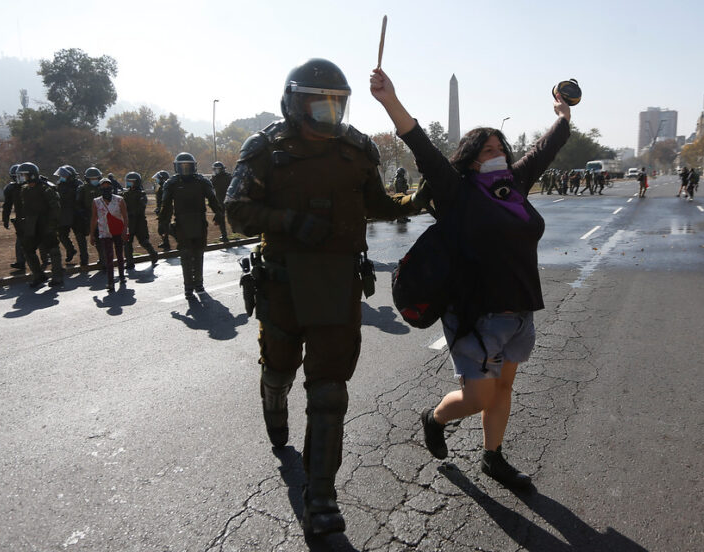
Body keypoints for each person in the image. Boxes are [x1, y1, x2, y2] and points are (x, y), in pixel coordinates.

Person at [224, 58, 422, 535]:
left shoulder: (356, 151)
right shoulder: (265, 149)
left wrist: (417, 199)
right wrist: (289, 223)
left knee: (330, 392)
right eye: (319, 103)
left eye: (336, 105)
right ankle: (274, 401)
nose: (329, 114)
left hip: (337, 284)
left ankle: (321, 496)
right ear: (294, 102)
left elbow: (379, 204)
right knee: (278, 369)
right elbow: (236, 209)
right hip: (284, 284)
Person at [370, 66, 570, 490]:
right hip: (475, 313)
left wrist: (563, 115)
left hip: (520, 309)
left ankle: (492, 457)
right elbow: (418, 142)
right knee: (480, 396)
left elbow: (545, 148)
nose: (495, 152)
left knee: (503, 390)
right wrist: (390, 101)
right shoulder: (456, 191)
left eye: (500, 146)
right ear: (469, 157)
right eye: (486, 149)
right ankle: (435, 416)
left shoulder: (514, 184)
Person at [158, 152, 222, 299]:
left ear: (194, 167)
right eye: (182, 166)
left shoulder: (202, 181)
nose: (185, 169)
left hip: (199, 221)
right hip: (181, 224)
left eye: (188, 166)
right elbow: (165, 206)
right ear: (176, 167)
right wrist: (163, 223)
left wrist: (218, 213)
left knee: (198, 253)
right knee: (185, 255)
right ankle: (188, 286)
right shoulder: (172, 183)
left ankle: (198, 283)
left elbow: (213, 199)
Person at [16, 162, 64, 288]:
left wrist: (52, 224)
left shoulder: (45, 188)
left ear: (32, 175)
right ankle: (38, 275)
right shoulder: (25, 189)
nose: (23, 178)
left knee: (53, 249)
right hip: (32, 225)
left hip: (46, 223)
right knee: (27, 250)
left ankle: (57, 276)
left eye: (25, 175)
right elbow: (25, 208)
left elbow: (56, 207)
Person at [90, 178, 128, 291]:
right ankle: (110, 282)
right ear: (100, 188)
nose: (106, 189)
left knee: (120, 255)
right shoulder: (96, 202)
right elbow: (93, 218)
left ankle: (121, 275)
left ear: (112, 188)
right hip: (104, 232)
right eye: (103, 187)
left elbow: (125, 217)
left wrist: (125, 231)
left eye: (108, 186)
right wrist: (91, 234)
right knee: (109, 257)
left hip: (118, 231)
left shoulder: (119, 200)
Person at [122, 172, 159, 269]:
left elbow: (141, 207)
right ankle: (129, 262)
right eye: (128, 181)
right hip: (129, 221)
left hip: (139, 221)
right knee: (127, 242)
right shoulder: (125, 194)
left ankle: (153, 254)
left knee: (143, 241)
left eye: (131, 181)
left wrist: (132, 212)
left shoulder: (141, 194)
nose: (129, 183)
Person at [54, 165, 88, 266]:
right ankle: (70, 250)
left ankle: (84, 259)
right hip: (64, 214)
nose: (61, 177)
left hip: (77, 215)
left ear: (70, 176)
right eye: (61, 175)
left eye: (63, 175)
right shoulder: (60, 185)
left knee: (80, 238)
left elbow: (82, 199)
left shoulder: (79, 184)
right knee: (62, 235)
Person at [77, 167, 106, 268]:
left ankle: (104, 260)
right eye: (91, 178)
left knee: (100, 238)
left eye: (96, 178)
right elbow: (79, 202)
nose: (94, 180)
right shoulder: (83, 189)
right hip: (88, 215)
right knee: (89, 237)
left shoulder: (103, 187)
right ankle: (85, 259)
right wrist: (82, 213)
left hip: (102, 215)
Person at [2, 164, 27, 271]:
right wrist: (5, 219)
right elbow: (7, 206)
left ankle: (46, 258)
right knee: (20, 240)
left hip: (36, 215)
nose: (18, 177)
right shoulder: (11, 188)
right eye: (16, 176)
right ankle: (20, 262)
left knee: (42, 237)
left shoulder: (33, 184)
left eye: (20, 175)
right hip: (21, 218)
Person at [210, 161, 231, 242]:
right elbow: (210, 188)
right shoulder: (214, 178)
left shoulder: (228, 177)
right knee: (221, 218)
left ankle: (232, 230)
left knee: (230, 216)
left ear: (222, 169)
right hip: (221, 201)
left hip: (228, 200)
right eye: (215, 169)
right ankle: (224, 235)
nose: (216, 171)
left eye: (218, 169)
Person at [152, 170, 172, 250]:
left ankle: (179, 241)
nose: (156, 180)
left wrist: (160, 209)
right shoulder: (160, 187)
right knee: (163, 228)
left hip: (165, 210)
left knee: (164, 228)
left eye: (158, 178)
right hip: (162, 209)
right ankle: (166, 243)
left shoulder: (165, 188)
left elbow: (165, 201)